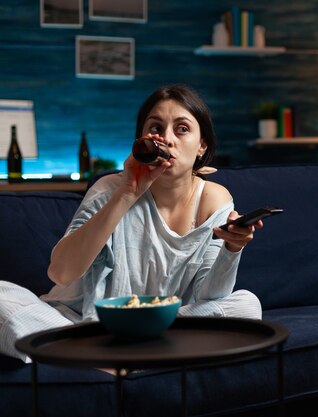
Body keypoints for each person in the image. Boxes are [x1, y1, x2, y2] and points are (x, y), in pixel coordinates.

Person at [0, 84, 262, 362]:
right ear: (142, 140)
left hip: (164, 322)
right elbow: (61, 273)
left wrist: (231, 251)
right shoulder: (110, 188)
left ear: (202, 146)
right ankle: (145, 351)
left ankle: (122, 349)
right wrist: (125, 195)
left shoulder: (214, 199)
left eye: (182, 129)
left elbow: (209, 296)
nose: (167, 139)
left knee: (246, 306)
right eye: (156, 128)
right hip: (79, 323)